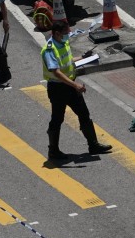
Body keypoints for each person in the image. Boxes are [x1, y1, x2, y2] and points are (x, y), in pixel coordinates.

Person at [41, 21, 112, 162]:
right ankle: (53, 151)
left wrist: (84, 58)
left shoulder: (62, 43)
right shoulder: (50, 49)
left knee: (84, 114)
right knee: (57, 119)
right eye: (66, 33)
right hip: (58, 89)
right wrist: (75, 85)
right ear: (56, 33)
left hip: (70, 86)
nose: (68, 36)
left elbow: (68, 60)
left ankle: (93, 145)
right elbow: (56, 72)